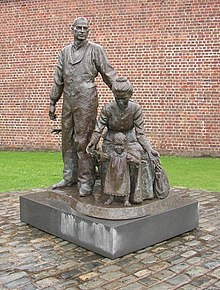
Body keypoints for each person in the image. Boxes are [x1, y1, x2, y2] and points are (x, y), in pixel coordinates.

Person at [49, 17, 118, 196]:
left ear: (88, 30)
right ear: (72, 29)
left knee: (84, 140)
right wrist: (52, 101)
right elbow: (58, 78)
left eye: (84, 28)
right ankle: (69, 176)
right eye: (78, 27)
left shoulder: (96, 50)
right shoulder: (64, 52)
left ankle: (86, 179)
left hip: (86, 99)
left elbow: (108, 73)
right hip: (68, 100)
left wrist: (120, 92)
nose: (81, 30)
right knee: (67, 139)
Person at [86, 77, 159, 202]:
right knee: (109, 158)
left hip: (130, 141)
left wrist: (149, 149)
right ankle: (111, 193)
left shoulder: (135, 108)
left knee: (137, 157)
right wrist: (92, 143)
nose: (120, 102)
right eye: (117, 98)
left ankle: (135, 195)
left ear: (130, 95)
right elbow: (98, 129)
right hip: (111, 141)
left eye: (124, 98)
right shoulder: (107, 109)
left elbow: (140, 134)